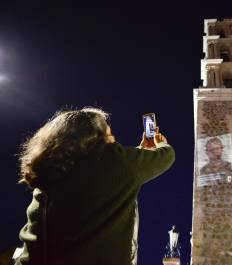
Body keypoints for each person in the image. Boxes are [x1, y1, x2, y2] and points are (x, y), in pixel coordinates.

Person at [15, 107, 175, 265]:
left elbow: (114, 170)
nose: (114, 140)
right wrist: (160, 144)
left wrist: (140, 151)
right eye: (110, 134)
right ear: (96, 137)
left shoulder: (53, 166)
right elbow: (165, 157)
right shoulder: (115, 161)